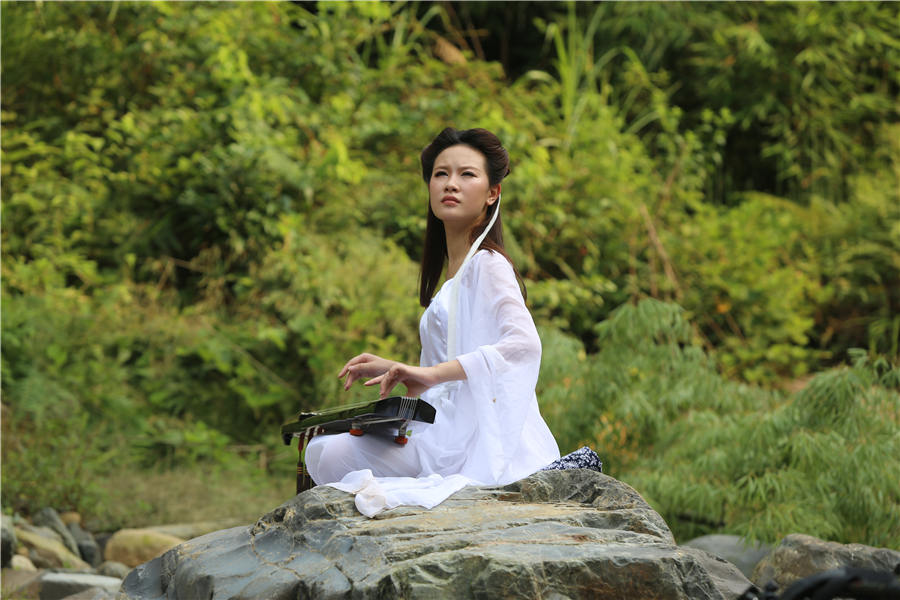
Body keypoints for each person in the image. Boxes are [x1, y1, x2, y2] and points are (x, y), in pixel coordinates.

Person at [304, 127, 560, 516]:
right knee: (326, 450)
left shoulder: (488, 265)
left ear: (493, 193)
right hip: (441, 434)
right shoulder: (455, 273)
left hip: (481, 442)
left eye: (467, 174)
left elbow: (523, 346)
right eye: (440, 174)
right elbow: (445, 368)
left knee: (334, 456)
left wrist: (434, 374)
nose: (450, 184)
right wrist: (399, 369)